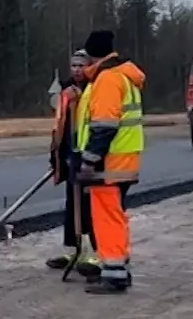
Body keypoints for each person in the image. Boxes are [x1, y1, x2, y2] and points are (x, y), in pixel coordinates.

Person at [71, 29, 146, 294]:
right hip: (124, 159)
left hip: (109, 163)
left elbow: (104, 126)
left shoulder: (108, 80)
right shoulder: (124, 77)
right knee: (116, 215)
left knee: (107, 217)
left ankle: (114, 274)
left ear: (93, 55)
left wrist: (89, 160)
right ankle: (118, 266)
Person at [46, 49, 102, 278]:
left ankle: (94, 253)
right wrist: (56, 156)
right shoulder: (66, 92)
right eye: (74, 66)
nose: (78, 70)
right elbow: (59, 125)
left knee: (90, 207)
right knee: (72, 205)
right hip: (69, 155)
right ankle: (71, 250)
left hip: (90, 157)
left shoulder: (96, 90)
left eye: (82, 65)